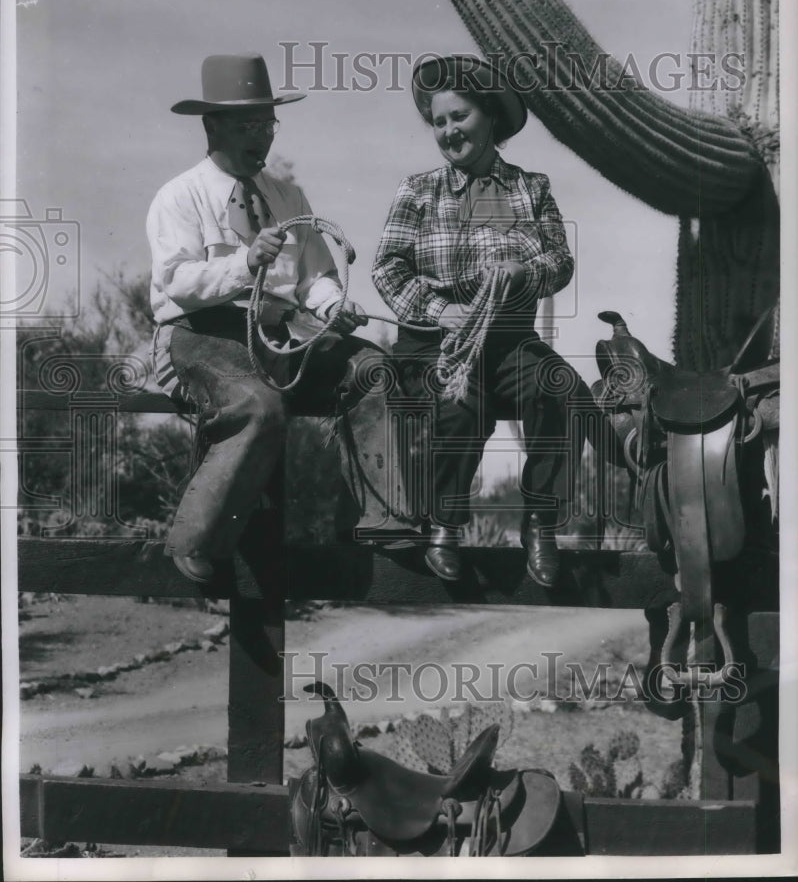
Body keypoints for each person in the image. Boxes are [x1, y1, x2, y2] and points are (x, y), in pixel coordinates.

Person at [147, 52, 375, 583]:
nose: (262, 137)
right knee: (257, 405)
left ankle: (369, 524)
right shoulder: (179, 196)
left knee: (373, 370)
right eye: (248, 125)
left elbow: (315, 273)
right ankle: (198, 536)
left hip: (278, 336)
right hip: (201, 332)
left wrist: (329, 305)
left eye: (267, 123)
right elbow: (175, 283)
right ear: (212, 126)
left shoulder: (287, 196)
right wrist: (244, 262)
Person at [372, 55, 580, 587]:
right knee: (459, 403)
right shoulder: (417, 190)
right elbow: (387, 267)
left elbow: (560, 261)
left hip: (509, 337)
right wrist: (443, 311)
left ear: (489, 118)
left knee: (559, 389)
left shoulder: (531, 189)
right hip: (433, 340)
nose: (448, 131)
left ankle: (540, 524)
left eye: (459, 117)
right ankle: (444, 522)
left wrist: (524, 272)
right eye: (439, 122)